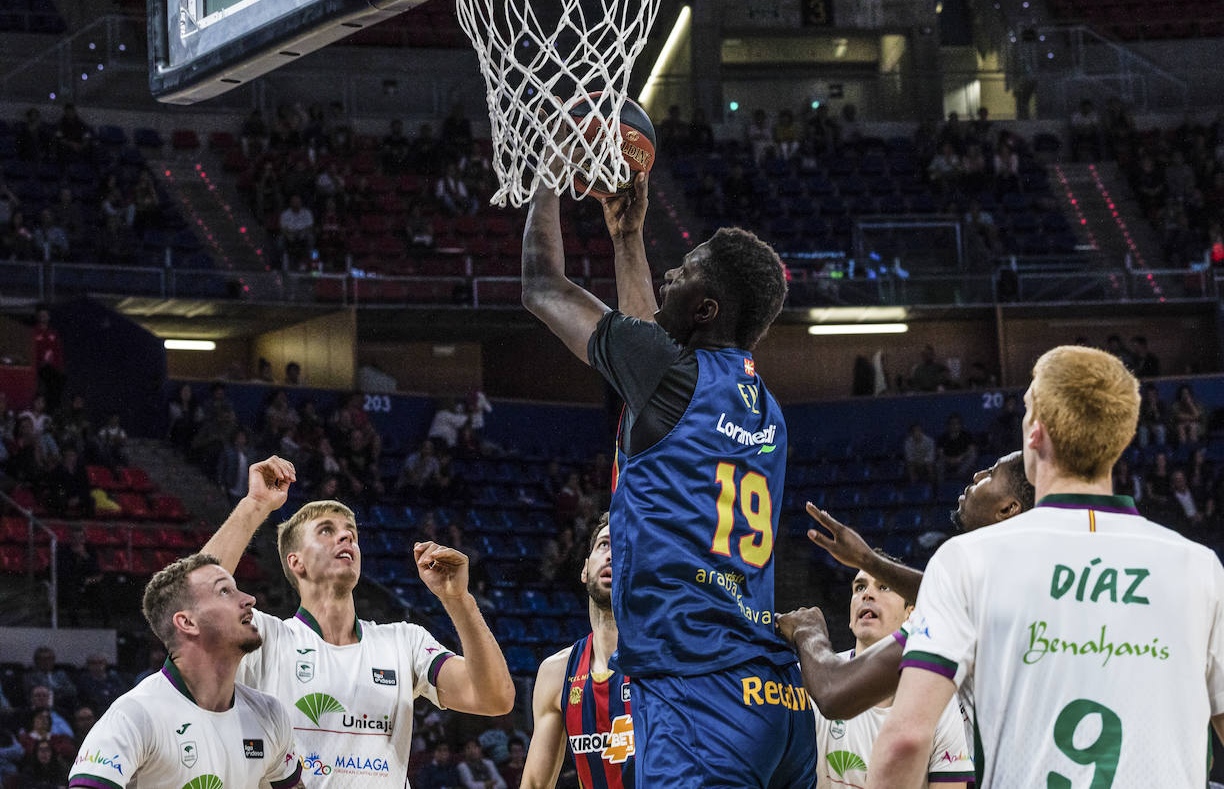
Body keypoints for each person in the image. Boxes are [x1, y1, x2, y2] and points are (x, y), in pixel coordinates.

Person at [865, 346, 1224, 788]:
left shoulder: (965, 560)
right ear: (1121, 439)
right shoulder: (1199, 569)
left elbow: (906, 741)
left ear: (1035, 431)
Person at [521, 162, 813, 786]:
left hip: (697, 693)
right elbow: (650, 348)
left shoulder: (664, 373)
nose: (670, 273)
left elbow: (542, 286)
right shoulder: (765, 406)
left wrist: (543, 165)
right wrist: (627, 237)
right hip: (774, 697)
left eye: (685, 270)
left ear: (706, 308)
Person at [201, 455, 514, 785]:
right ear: (296, 562)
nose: (346, 537)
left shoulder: (405, 641)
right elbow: (197, 604)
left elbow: (495, 698)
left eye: (350, 532)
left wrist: (459, 601)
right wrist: (254, 505)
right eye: (326, 531)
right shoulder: (266, 636)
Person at [776, 452, 1035, 722]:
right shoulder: (1034, 580)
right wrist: (868, 560)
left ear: (1008, 509)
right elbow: (951, 596)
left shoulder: (967, 606)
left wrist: (809, 630)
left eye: (991, 474)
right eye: (860, 586)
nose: (977, 475)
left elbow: (833, 693)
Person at [66, 554, 305, 788]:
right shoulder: (134, 714)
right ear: (187, 623)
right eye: (224, 591)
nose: (249, 599)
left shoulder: (270, 714)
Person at [811, 555, 974, 787]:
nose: (866, 594)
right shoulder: (813, 678)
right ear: (850, 617)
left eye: (884, 587)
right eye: (859, 587)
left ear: (911, 614)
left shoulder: (940, 703)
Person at [523, 513, 635, 788]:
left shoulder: (667, 660)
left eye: (623, 548)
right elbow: (535, 784)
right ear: (585, 569)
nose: (611, 555)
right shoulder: (556, 672)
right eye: (604, 544)